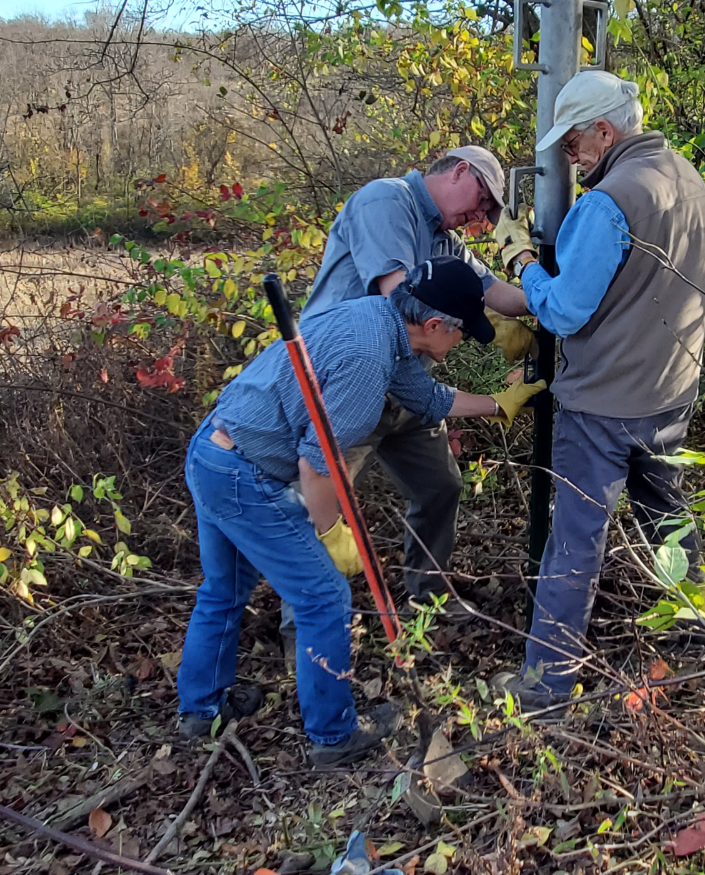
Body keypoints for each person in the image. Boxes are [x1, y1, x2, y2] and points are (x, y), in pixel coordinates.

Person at [176, 258, 544, 766]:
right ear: (435, 325)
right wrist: (330, 532)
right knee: (324, 596)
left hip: (215, 452)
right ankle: (334, 738)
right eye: (462, 335)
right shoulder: (368, 360)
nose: (460, 345)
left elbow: (428, 397)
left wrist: (500, 402)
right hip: (244, 474)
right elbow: (317, 463)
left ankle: (201, 711)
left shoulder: (381, 320)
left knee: (223, 590)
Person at [492, 71, 705, 713]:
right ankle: (701, 633)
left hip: (601, 407)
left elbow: (563, 311)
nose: (569, 158)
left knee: (575, 543)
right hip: (670, 393)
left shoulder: (607, 201)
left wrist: (523, 264)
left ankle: (546, 688)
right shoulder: (689, 180)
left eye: (573, 144)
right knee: (669, 521)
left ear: (605, 132)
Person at [293, 147, 533, 617]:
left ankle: (428, 600)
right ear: (460, 171)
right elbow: (402, 296)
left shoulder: (446, 241)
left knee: (440, 486)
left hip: (404, 385)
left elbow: (496, 292)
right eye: (482, 200)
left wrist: (548, 300)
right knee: (321, 496)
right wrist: (475, 318)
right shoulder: (387, 201)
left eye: (488, 212)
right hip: (347, 383)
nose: (479, 216)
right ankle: (305, 628)